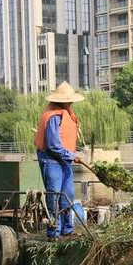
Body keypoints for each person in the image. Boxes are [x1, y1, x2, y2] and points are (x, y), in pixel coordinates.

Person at [34, 82, 85, 240]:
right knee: (54, 196)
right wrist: (72, 156)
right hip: (52, 161)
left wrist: (71, 155)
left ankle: (67, 230)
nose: (70, 103)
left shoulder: (66, 113)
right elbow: (53, 145)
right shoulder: (53, 116)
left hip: (64, 160)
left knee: (67, 196)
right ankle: (53, 233)